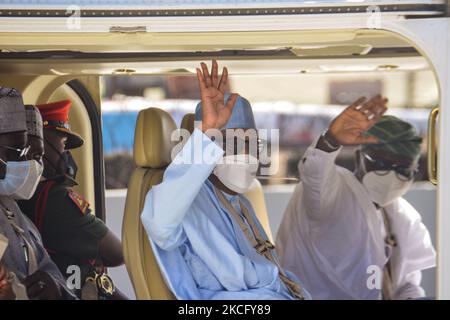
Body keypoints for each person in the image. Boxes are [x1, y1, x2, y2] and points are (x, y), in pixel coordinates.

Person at [140, 60, 310, 300]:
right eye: (230, 143)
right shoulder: (188, 199)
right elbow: (160, 224)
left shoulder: (240, 202)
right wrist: (208, 131)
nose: (243, 153)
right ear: (208, 147)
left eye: (249, 143)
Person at [276, 96, 436, 300]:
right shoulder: (333, 191)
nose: (390, 174)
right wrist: (330, 141)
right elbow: (314, 173)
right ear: (360, 157)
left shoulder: (403, 215)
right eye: (381, 163)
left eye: (402, 169)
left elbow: (406, 285)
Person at [18, 100, 124, 299]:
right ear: (39, 143)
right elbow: (116, 253)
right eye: (63, 143)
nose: (66, 154)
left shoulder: (24, 196)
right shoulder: (54, 197)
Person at [0, 86, 75, 300]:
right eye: (17, 151)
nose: (24, 161)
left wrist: (54, 286)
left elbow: (45, 266)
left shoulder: (11, 209)